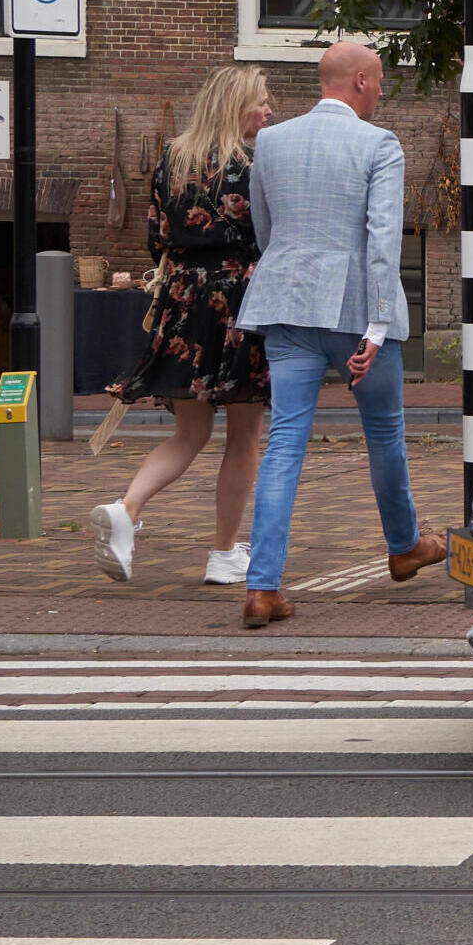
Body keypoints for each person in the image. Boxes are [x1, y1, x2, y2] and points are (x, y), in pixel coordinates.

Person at [231, 42, 443, 628]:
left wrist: (295, 277)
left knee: (285, 442)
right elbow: (382, 241)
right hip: (355, 312)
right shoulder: (379, 145)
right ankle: (403, 548)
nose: (380, 92)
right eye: (377, 82)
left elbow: (265, 228)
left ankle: (262, 587)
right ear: (356, 81)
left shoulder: (270, 142)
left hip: (287, 305)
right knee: (384, 432)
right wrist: (377, 326)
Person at [89, 66, 276, 585]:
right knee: (244, 435)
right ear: (236, 106)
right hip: (243, 301)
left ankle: (127, 508)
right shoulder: (256, 163)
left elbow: (157, 234)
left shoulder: (174, 157)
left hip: (183, 299)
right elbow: (271, 232)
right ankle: (221, 555)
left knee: (190, 431)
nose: (269, 110)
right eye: (261, 102)